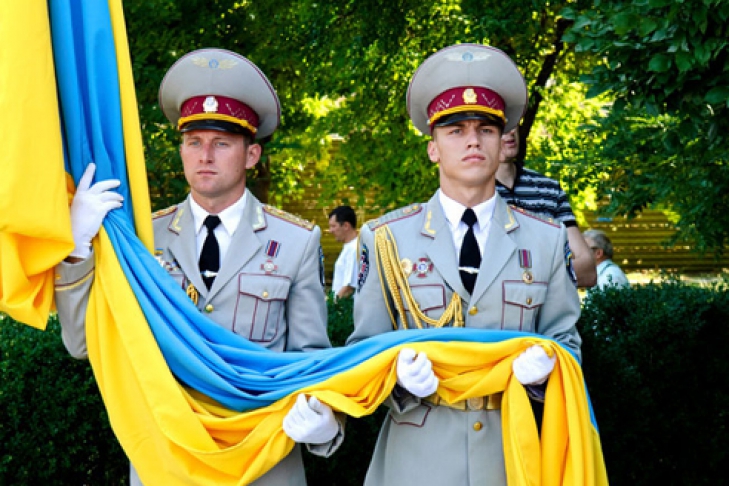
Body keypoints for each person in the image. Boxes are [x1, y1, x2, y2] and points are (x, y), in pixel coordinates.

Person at [53, 48, 342, 486]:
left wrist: (326, 424)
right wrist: (76, 249)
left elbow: (310, 359)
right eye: (193, 141)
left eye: (221, 143)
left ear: (251, 155)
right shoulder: (141, 239)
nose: (205, 155)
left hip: (262, 461)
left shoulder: (295, 242)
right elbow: (82, 343)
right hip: (167, 462)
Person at [346, 44, 582, 485]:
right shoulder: (386, 239)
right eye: (456, 130)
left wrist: (543, 373)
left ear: (502, 144)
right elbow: (363, 352)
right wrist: (398, 380)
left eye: (486, 129)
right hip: (417, 459)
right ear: (433, 149)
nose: (473, 140)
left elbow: (566, 343)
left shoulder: (546, 239)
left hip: (512, 455)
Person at [496, 126, 598, 288]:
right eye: (502, 126)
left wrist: (523, 280)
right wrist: (552, 272)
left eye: (514, 123)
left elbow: (587, 272)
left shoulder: (548, 189)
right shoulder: (469, 193)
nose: (510, 131)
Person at [328, 205, 359, 299]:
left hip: (346, 306)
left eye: (333, 226)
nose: (330, 231)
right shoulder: (349, 247)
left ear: (346, 226)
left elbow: (349, 287)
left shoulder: (353, 249)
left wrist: (331, 304)